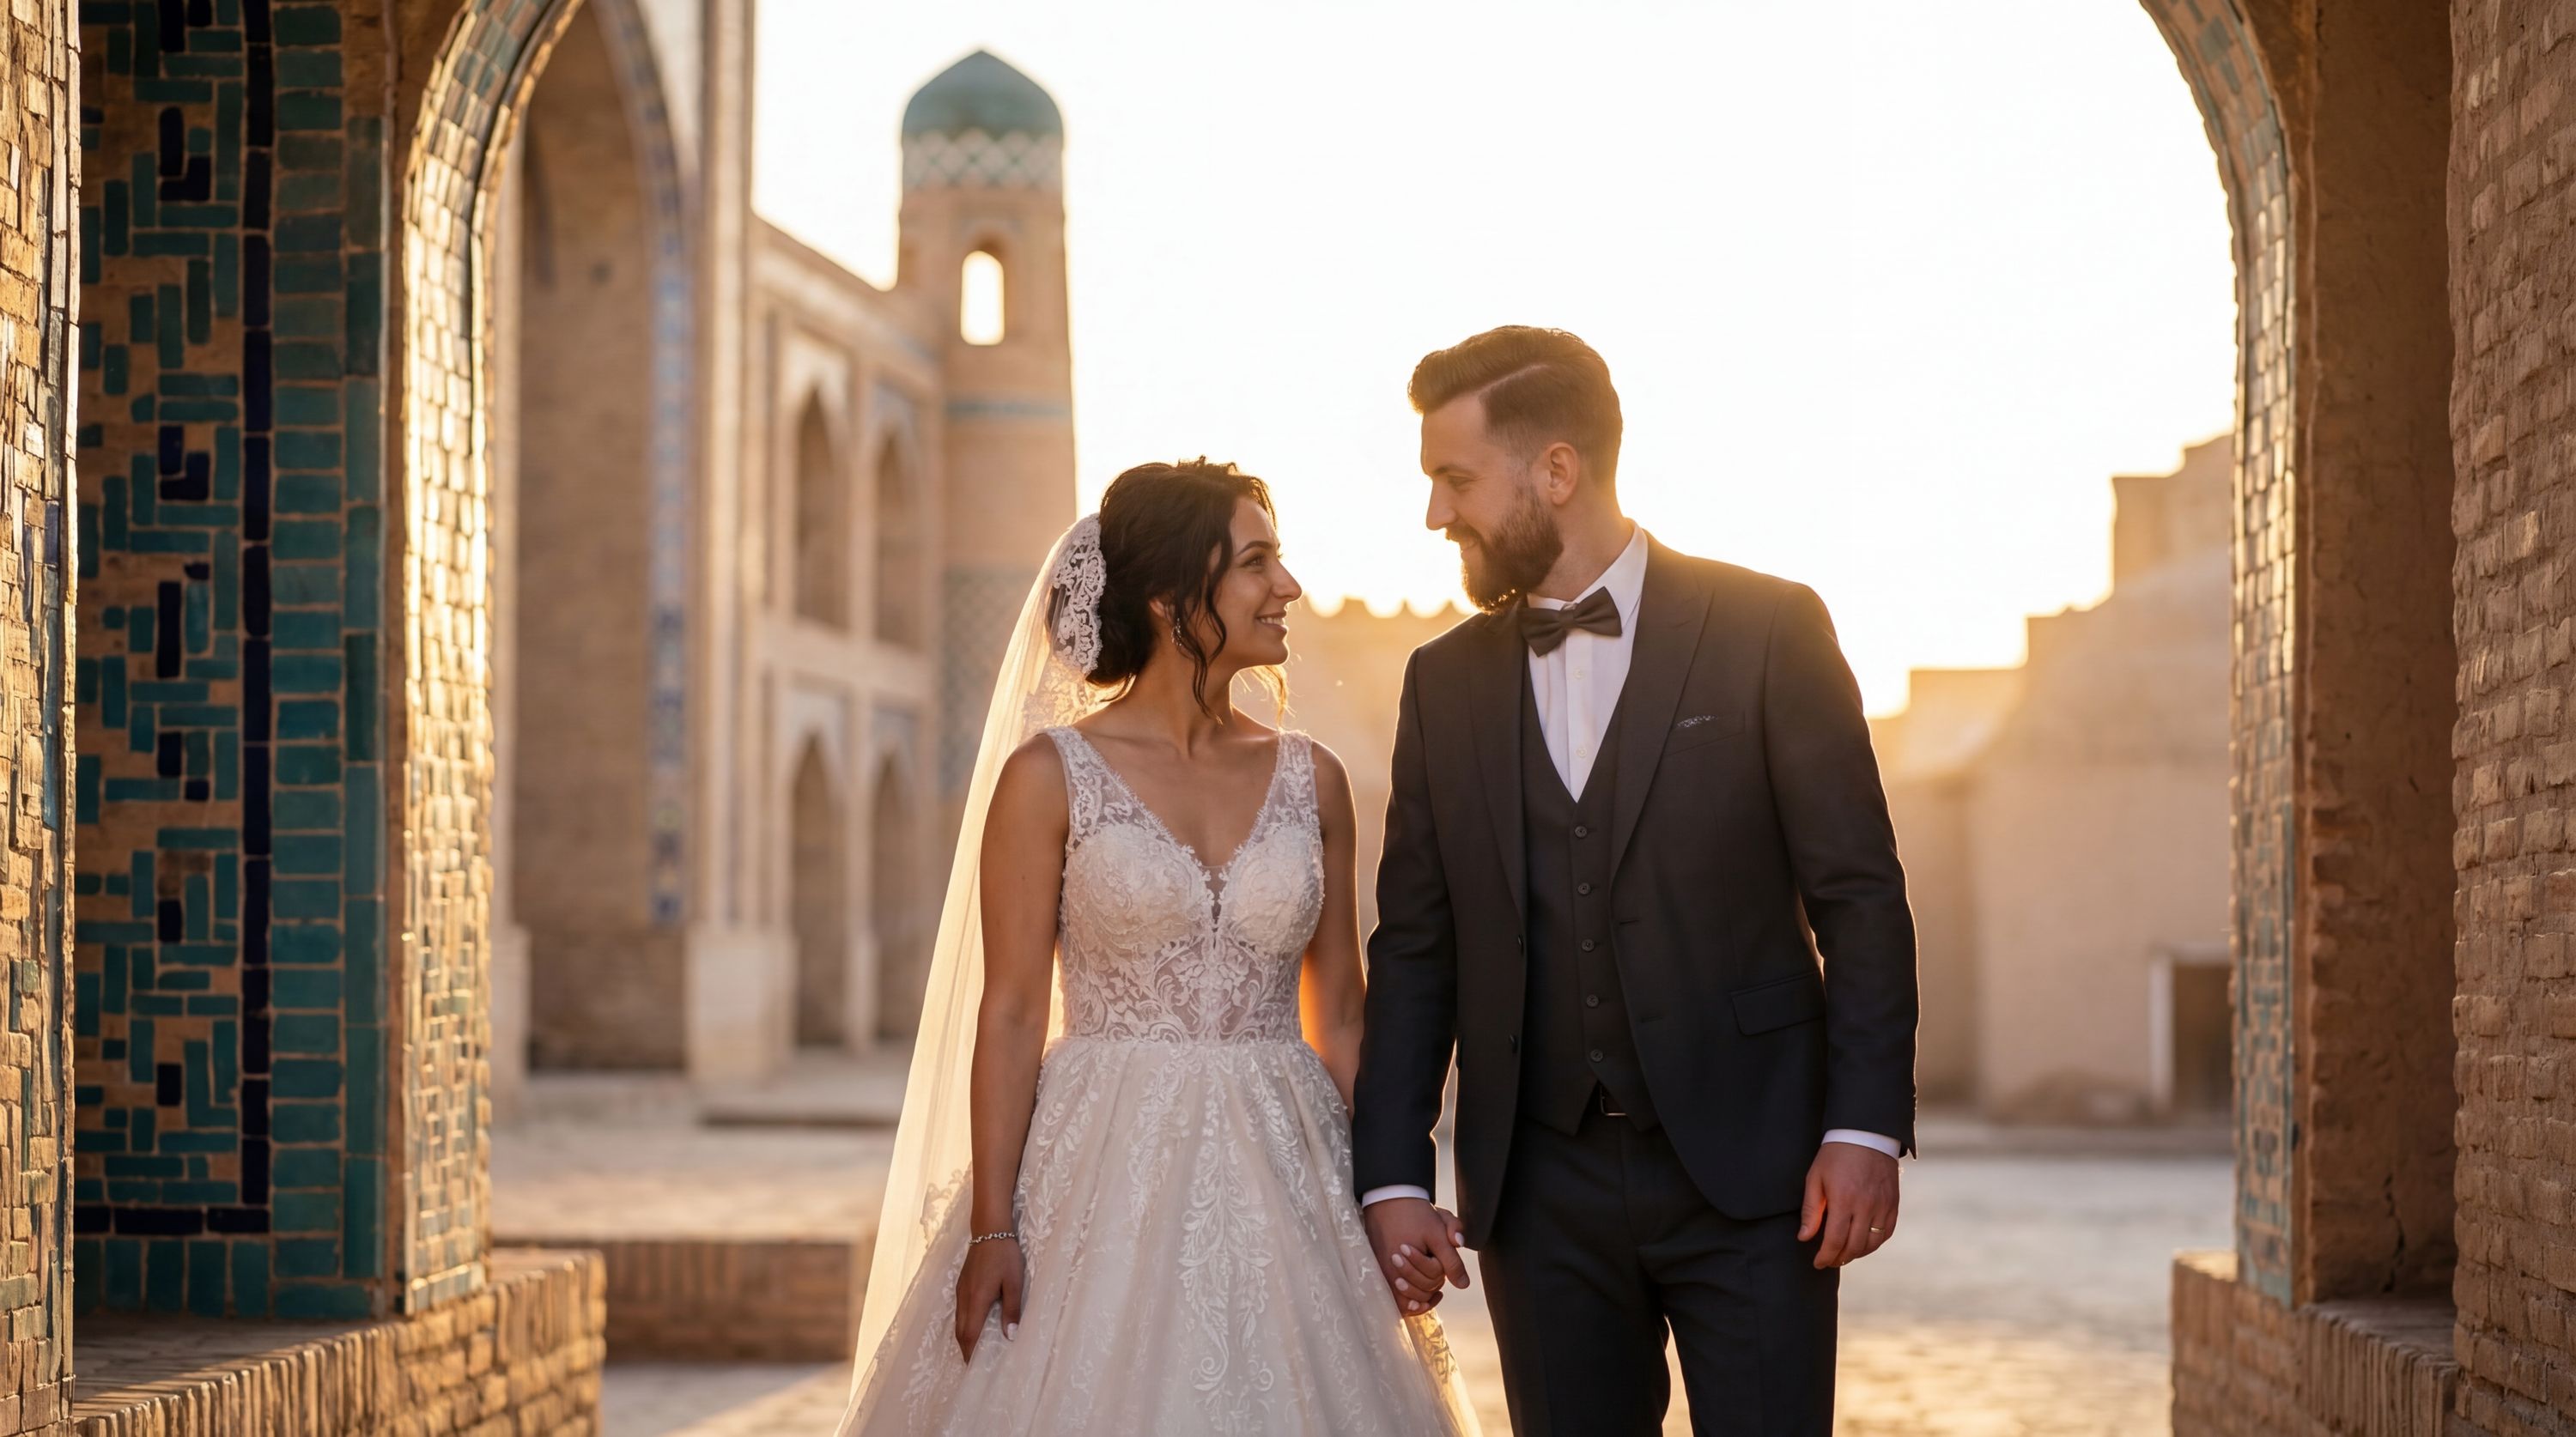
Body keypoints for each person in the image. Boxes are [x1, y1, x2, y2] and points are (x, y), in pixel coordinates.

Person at [1352, 326, 1919, 1436]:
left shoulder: (1767, 630)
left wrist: (1865, 1126)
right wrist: (1392, 1172)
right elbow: (1417, 943)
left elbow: (1859, 894)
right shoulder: (1444, 684)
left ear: (1555, 470)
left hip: (1759, 1175)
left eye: (1454, 480)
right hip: (1537, 1192)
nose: (1436, 515)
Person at [838, 459, 1478, 1436]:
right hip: (1097, 1175)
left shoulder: (1317, 780)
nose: (1289, 588)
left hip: (1289, 1164)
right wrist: (993, 1224)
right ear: (1173, 595)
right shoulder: (1048, 777)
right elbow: (1011, 1013)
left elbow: (1343, 1013)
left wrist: (1395, 1187)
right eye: (1258, 563)